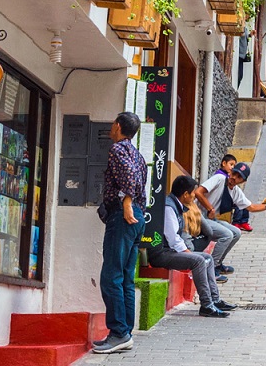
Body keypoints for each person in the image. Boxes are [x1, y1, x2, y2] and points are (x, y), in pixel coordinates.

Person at [94, 112, 146, 354]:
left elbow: (130, 178)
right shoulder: (138, 154)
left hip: (124, 217)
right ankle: (125, 331)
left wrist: (126, 203)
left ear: (117, 126)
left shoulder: (118, 150)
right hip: (137, 219)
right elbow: (138, 178)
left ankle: (118, 333)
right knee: (125, 277)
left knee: (111, 275)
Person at [147, 176, 236, 317]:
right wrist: (188, 252)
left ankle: (215, 299)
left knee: (208, 258)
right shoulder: (169, 207)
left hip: (171, 250)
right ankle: (206, 305)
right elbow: (173, 238)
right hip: (161, 253)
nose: (195, 196)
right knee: (198, 260)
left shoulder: (177, 205)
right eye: (193, 193)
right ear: (185, 194)